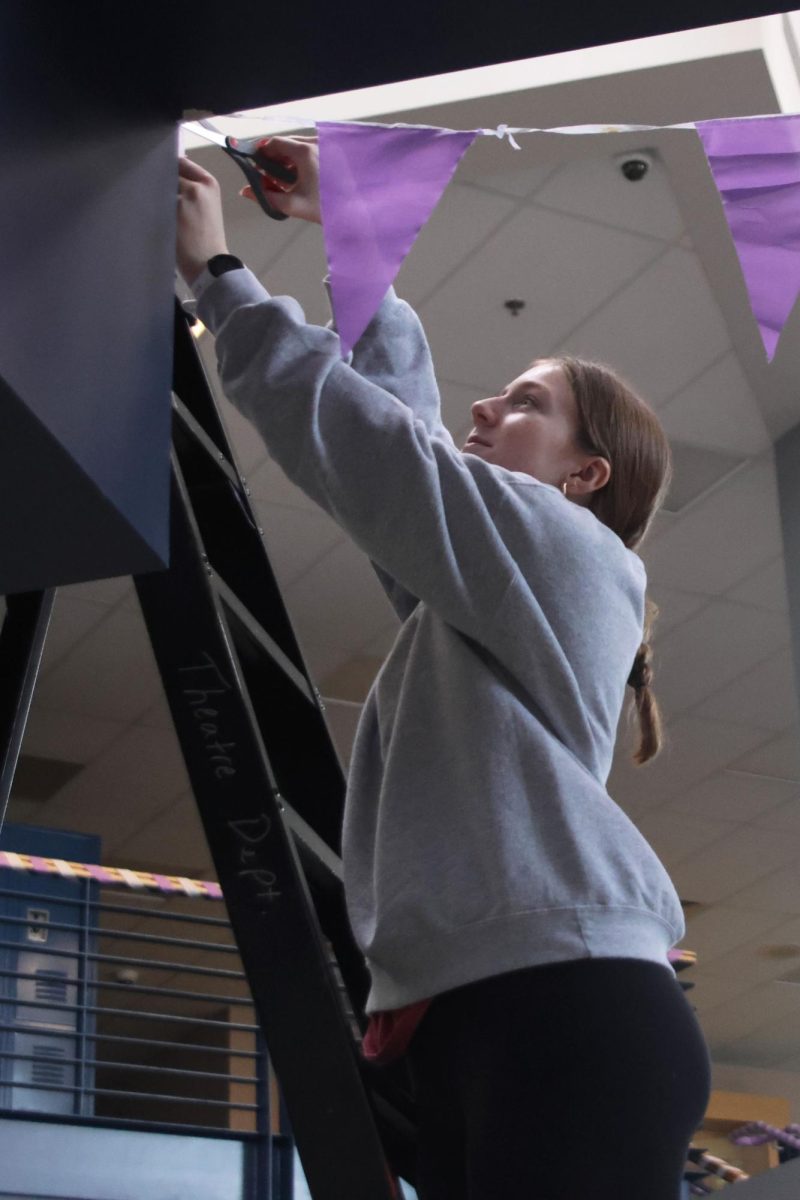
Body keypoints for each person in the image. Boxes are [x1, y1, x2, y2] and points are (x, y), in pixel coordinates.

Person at [176, 137, 712, 1199]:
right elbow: (404, 446)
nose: (481, 410)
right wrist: (353, 235)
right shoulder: (481, 602)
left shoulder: (569, 553)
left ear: (581, 477)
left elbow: (382, 456)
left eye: (520, 403)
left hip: (557, 1007)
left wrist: (217, 280)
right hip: (503, 1010)